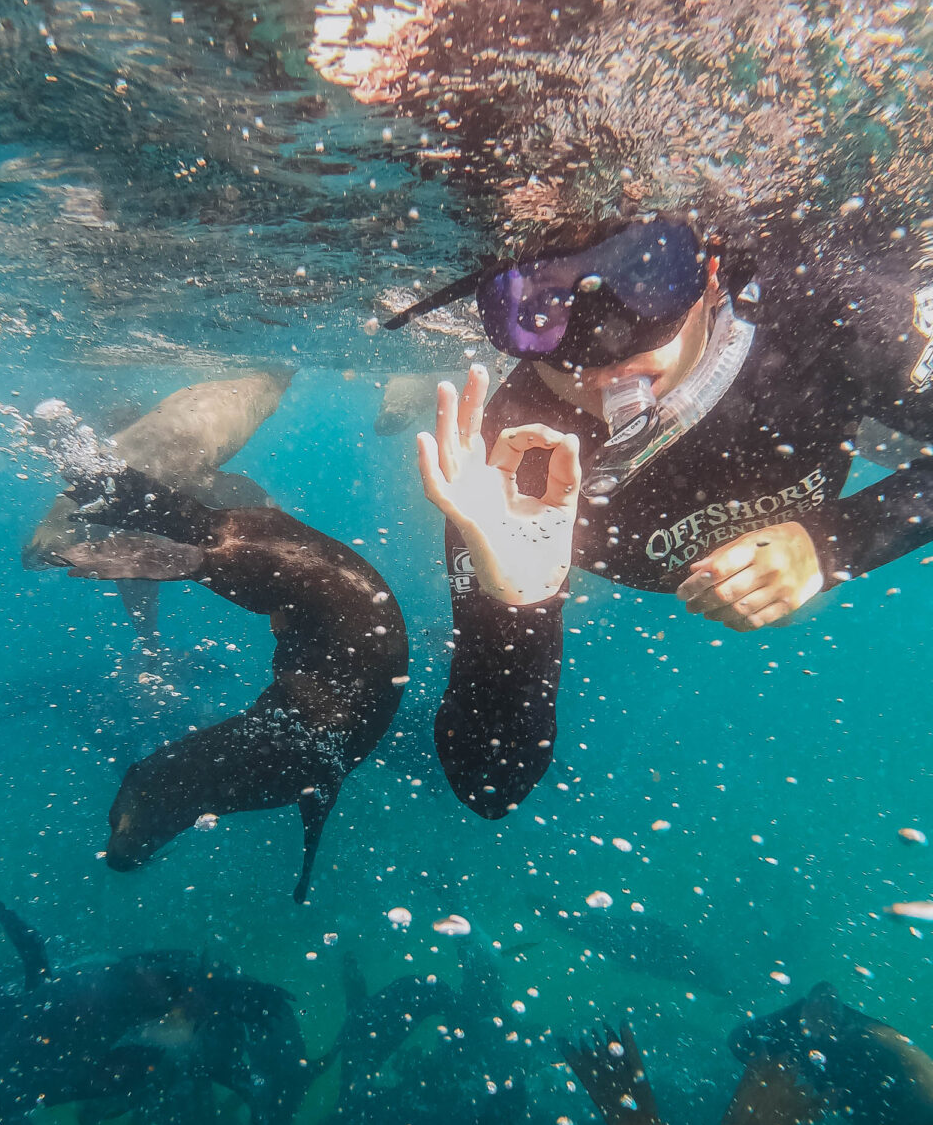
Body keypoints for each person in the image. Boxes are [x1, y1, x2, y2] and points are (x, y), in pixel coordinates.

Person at [389, 211, 933, 815]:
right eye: (543, 306)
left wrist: (831, 545)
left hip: (856, 399)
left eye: (646, 273)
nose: (604, 343)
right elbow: (490, 784)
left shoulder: (828, 312)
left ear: (710, 274)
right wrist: (518, 605)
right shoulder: (515, 449)